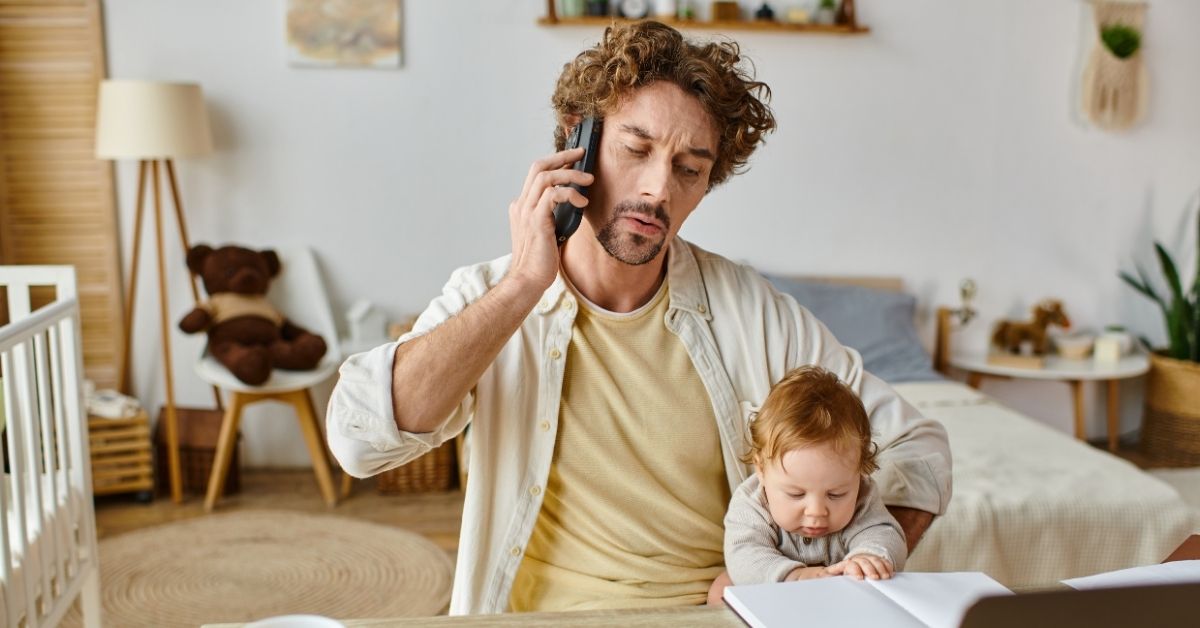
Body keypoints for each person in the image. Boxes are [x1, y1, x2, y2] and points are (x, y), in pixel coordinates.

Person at [326, 20, 951, 615]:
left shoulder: (750, 310)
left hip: (707, 617)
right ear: (577, 142)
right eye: (636, 149)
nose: (658, 190)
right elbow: (359, 439)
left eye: (689, 169)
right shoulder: (494, 295)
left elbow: (919, 450)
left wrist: (832, 578)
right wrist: (523, 285)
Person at [711, 366, 907, 606]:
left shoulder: (863, 497)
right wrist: (794, 577)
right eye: (796, 494)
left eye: (836, 494)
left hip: (838, 593)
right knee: (722, 588)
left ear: (859, 473)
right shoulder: (752, 503)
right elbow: (744, 554)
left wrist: (868, 557)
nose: (816, 511)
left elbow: (885, 533)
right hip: (772, 593)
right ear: (761, 470)